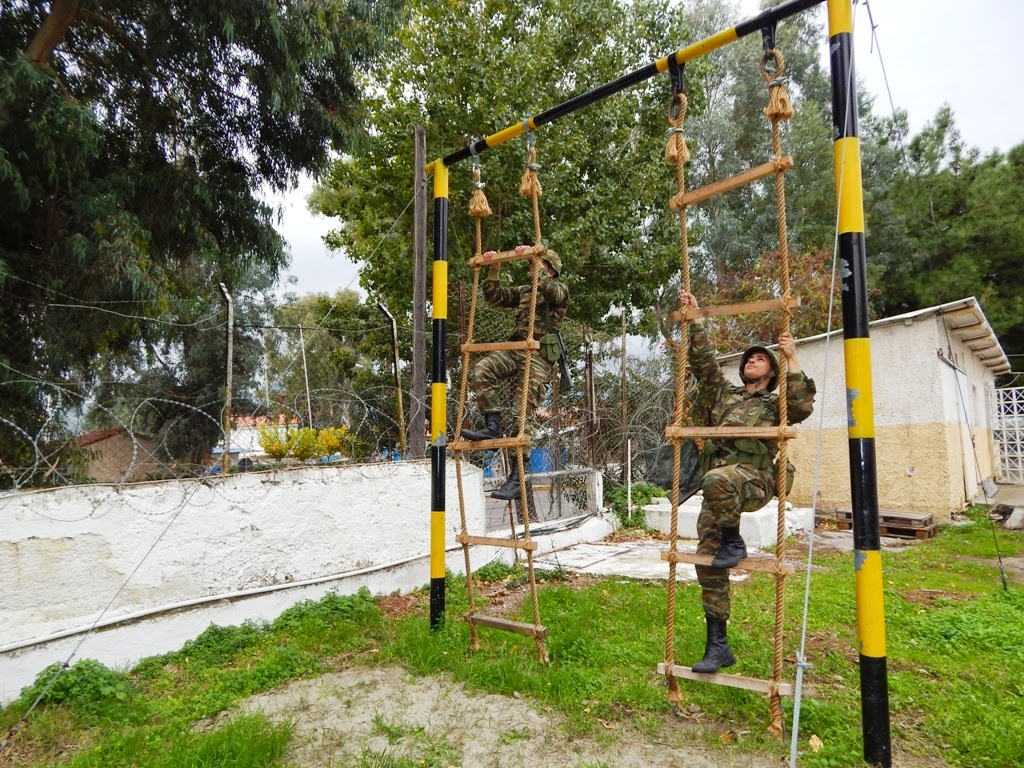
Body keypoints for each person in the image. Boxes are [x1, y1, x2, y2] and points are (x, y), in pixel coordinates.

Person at [679, 291, 816, 673]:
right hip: (719, 490)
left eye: (761, 358)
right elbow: (704, 364)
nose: (753, 360)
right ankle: (718, 644)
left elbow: (802, 405)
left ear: (770, 373)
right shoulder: (726, 396)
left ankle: (734, 538)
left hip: (753, 482)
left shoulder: (777, 404)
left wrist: (791, 357)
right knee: (708, 561)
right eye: (749, 359)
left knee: (718, 479)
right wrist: (694, 319)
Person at [462, 248, 569, 500]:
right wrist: (494, 268)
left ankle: (516, 479)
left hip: (539, 355)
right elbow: (494, 296)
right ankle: (492, 425)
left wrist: (535, 266)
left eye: (541, 264)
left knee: (522, 413)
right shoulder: (524, 292)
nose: (536, 267)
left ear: (550, 270)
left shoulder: (559, 290)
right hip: (518, 347)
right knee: (481, 370)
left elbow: (551, 291)